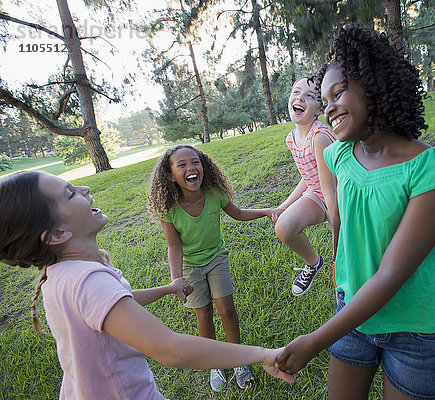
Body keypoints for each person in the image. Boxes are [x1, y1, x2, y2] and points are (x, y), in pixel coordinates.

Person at [276, 24, 435, 400]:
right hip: (351, 312)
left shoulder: (432, 169)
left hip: (415, 330)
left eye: (338, 92)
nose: (328, 106)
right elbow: (339, 219)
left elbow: (393, 272)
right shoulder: (337, 155)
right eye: (323, 99)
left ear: (374, 86)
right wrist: (339, 273)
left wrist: (316, 340)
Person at [0, 171, 293, 400]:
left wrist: (168, 287)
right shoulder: (87, 281)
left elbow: (116, 304)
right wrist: (263, 355)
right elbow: (172, 350)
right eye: (70, 193)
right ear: (56, 233)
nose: (85, 190)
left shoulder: (61, 274)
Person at [147, 145, 280, 392]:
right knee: (204, 314)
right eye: (182, 165)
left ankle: (240, 360)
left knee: (227, 310)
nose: (191, 168)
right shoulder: (170, 209)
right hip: (190, 266)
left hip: (216, 258)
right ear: (170, 175)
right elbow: (174, 246)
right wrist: (176, 279)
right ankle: (214, 364)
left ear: (203, 166)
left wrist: (266, 211)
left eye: (195, 162)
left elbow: (238, 213)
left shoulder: (214, 193)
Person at [274, 76, 337, 296]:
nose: (300, 97)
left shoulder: (319, 136)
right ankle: (313, 262)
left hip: (340, 196)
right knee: (284, 227)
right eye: (296, 92)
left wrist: (337, 244)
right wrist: (284, 205)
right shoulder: (291, 138)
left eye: (310, 96)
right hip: (318, 193)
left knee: (347, 251)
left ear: (319, 108)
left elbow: (331, 189)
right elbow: (309, 176)